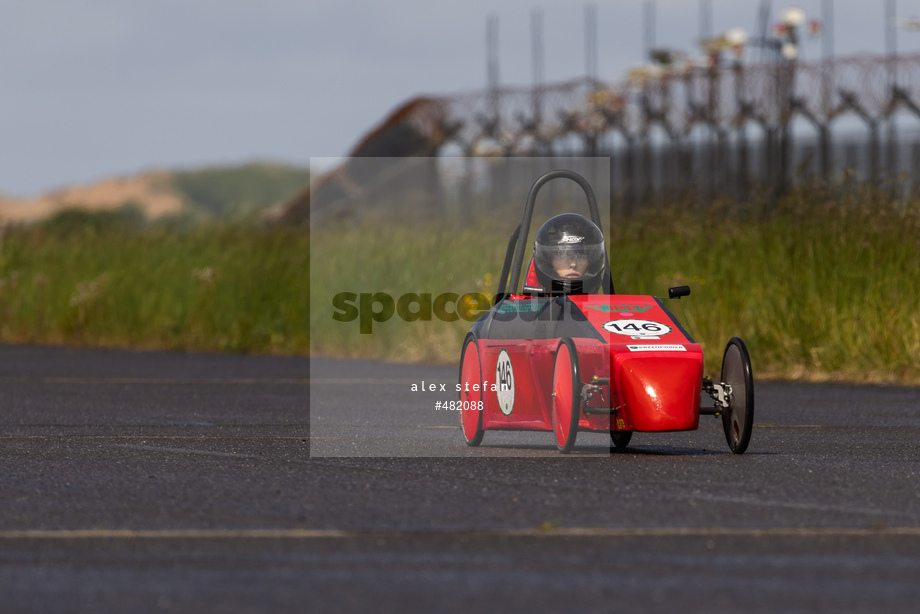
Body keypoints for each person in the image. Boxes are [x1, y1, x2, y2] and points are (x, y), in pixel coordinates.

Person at [532, 213, 607, 295]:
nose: (573, 264)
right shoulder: (530, 305)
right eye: (563, 257)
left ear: (589, 261)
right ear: (549, 262)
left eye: (580, 256)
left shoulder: (604, 306)